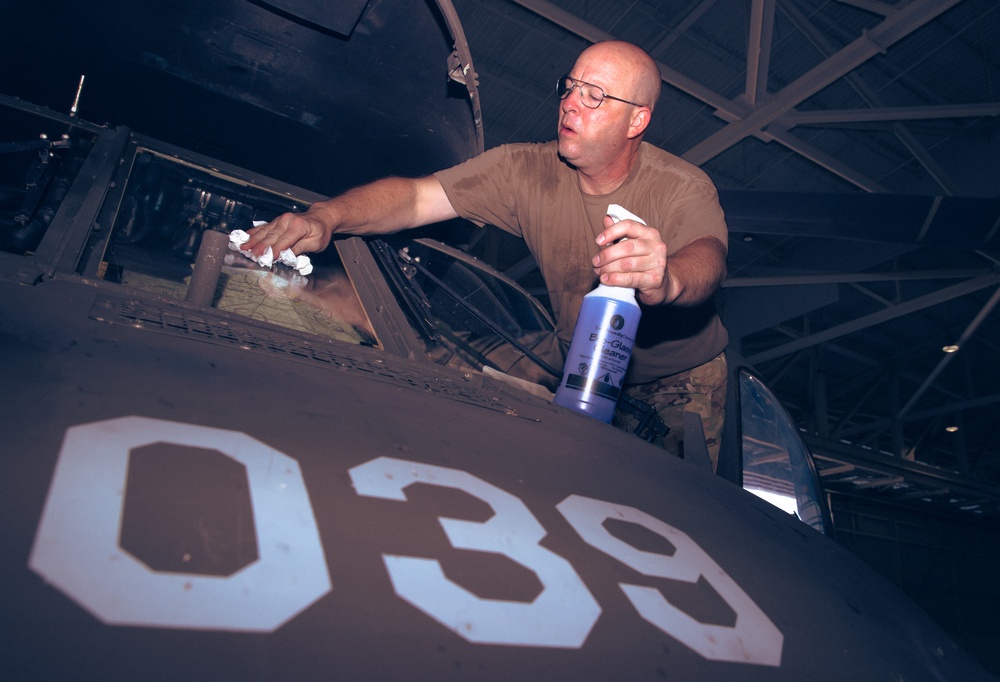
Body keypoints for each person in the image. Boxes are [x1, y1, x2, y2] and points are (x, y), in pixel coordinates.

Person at [244, 40, 729, 470]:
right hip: (572, 352)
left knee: (659, 506)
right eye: (569, 87)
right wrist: (327, 217)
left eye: (594, 96)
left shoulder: (681, 188)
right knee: (451, 379)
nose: (570, 105)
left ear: (637, 120)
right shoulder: (524, 170)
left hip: (674, 381)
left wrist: (668, 281)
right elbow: (415, 198)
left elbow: (708, 258)